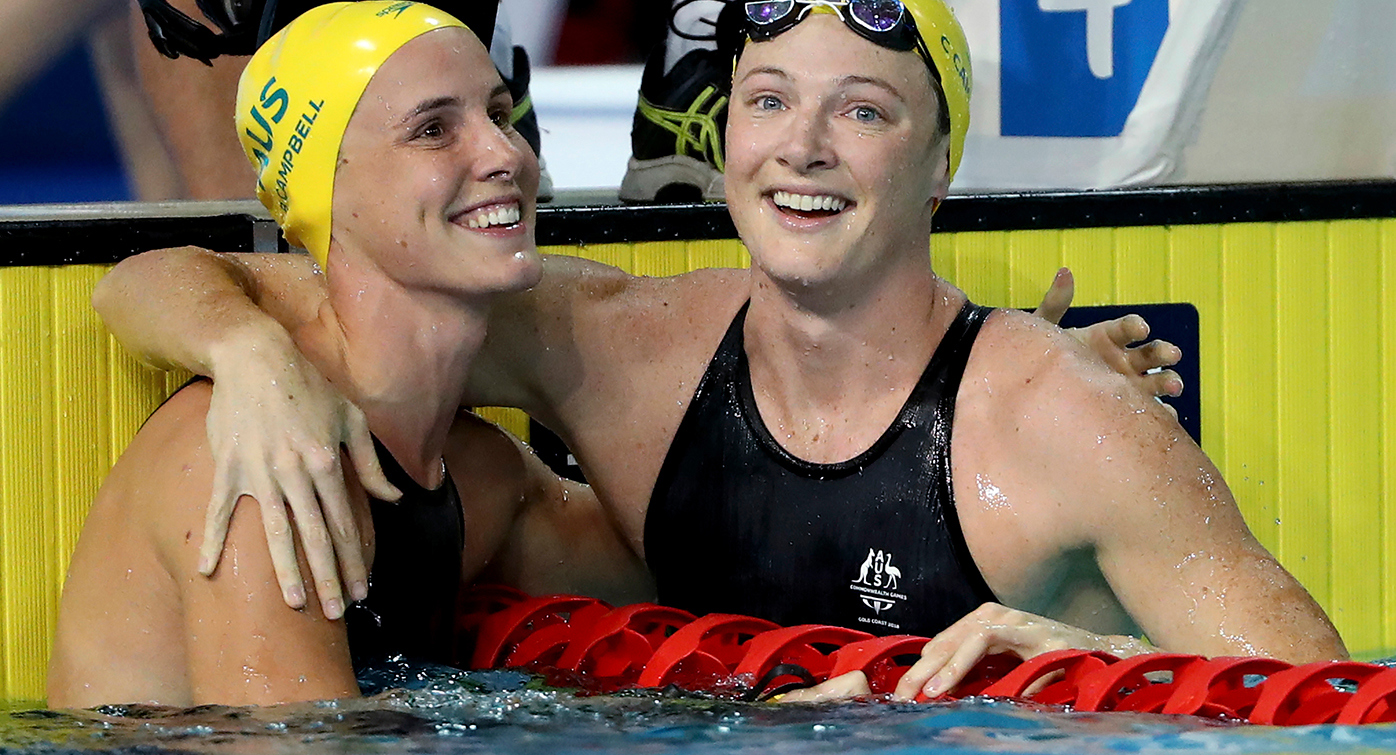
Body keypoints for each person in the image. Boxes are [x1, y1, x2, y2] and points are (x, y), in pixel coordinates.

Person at [93, 0, 1345, 704]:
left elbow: (1329, 716)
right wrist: (245, 355)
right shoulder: (614, 351)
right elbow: (197, 277)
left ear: (940, 162)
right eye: (766, 101)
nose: (801, 145)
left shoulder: (1066, 417)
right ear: (729, 139)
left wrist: (1108, 671)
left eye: (861, 110)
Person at [47, 1, 647, 709]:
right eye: (433, 130)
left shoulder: (477, 478)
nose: (505, 155)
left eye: (499, 114)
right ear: (323, 189)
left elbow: (692, 570)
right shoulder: (252, 466)